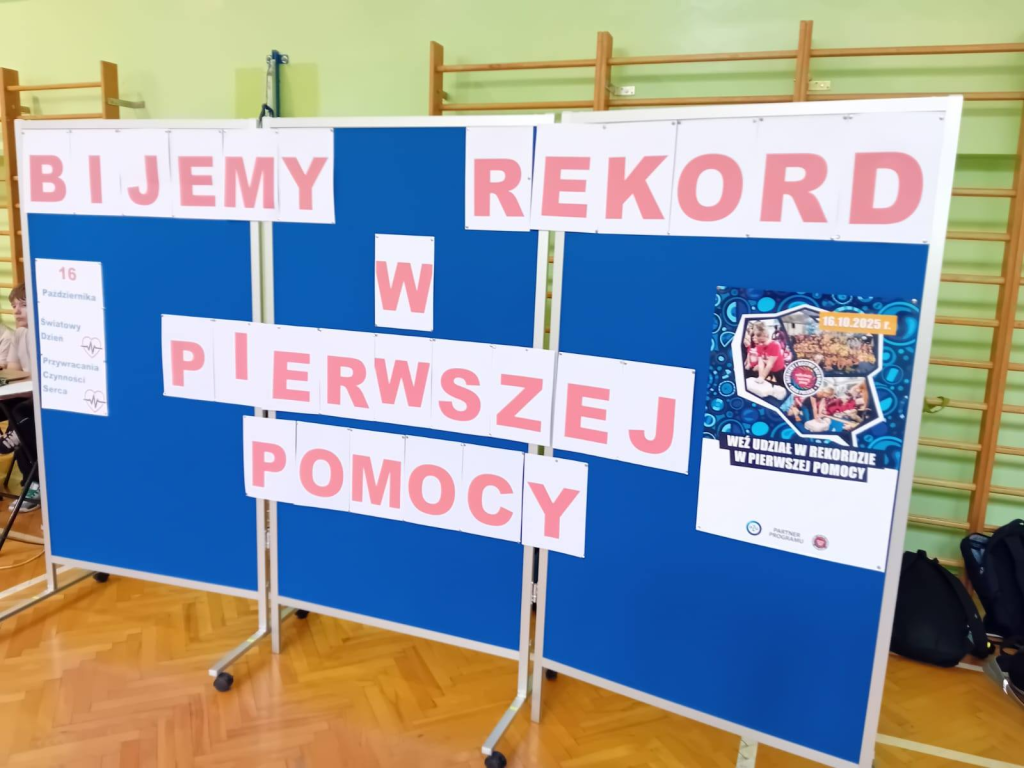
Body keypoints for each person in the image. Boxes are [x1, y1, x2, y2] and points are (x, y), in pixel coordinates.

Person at [0, 285, 39, 511]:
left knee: (21, 413)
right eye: (14, 306)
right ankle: (11, 436)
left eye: (23, 305)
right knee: (13, 408)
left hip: (39, 398)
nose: (16, 311)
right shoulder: (19, 334)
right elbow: (13, 371)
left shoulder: (45, 335)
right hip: (25, 392)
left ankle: (34, 483)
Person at [751, 321, 786, 386]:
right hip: (771, 370)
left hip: (780, 370)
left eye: (758, 335)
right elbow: (761, 363)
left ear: (765, 334)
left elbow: (770, 364)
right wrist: (760, 377)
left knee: (783, 386)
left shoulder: (775, 345)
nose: (756, 337)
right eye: (755, 335)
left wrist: (762, 377)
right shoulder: (759, 346)